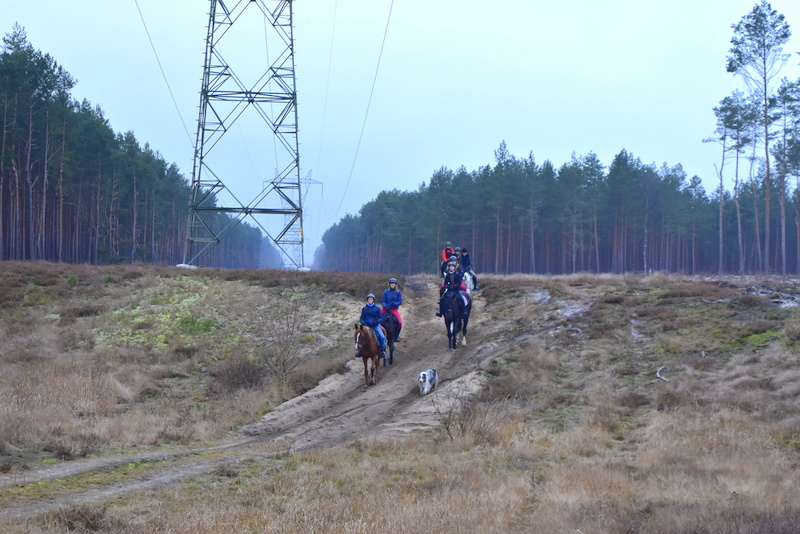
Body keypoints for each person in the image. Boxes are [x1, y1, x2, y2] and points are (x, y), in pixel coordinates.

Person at [358, 294, 387, 358]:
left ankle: (383, 351)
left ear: (373, 300)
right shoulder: (364, 309)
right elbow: (361, 318)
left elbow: (381, 318)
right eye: (369, 299)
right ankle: (360, 351)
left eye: (371, 299)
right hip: (366, 326)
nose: (370, 300)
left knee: (382, 337)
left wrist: (376, 321)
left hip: (375, 326)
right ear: (367, 300)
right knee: (360, 336)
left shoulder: (377, 308)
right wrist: (364, 323)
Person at [381, 277, 403, 342]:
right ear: (389, 284)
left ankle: (396, 337)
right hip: (386, 309)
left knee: (400, 323)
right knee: (377, 319)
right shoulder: (386, 292)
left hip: (394, 310)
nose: (392, 284)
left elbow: (400, 301)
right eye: (391, 283)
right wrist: (385, 306)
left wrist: (394, 304)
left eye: (393, 283)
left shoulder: (398, 292)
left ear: (395, 284)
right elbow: (383, 301)